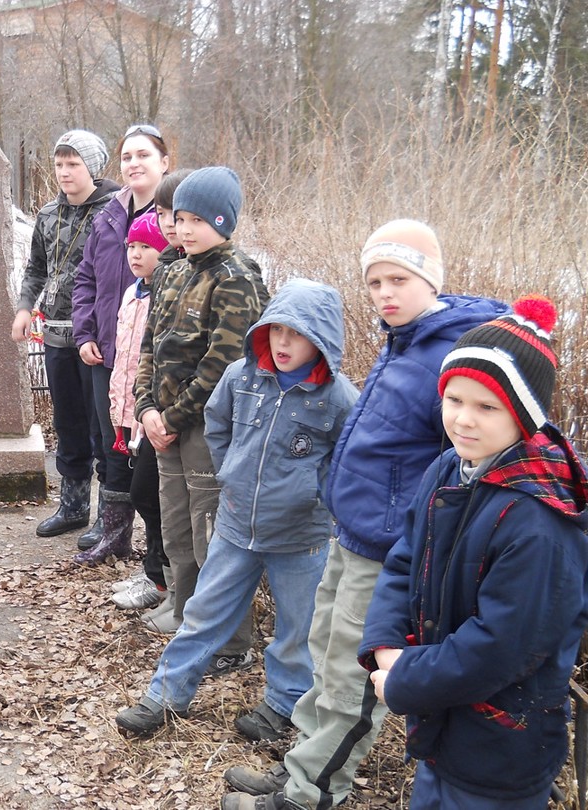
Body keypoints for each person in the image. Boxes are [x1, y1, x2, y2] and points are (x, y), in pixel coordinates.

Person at [221, 220, 508, 810]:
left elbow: (466, 458)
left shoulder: (449, 353)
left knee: (352, 677)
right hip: (351, 532)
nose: (384, 293)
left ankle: (311, 793)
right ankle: (302, 764)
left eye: (398, 279)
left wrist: (417, 537)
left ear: (431, 279)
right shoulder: (404, 341)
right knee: (325, 654)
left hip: (390, 548)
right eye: (375, 282)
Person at [360, 296, 588, 808]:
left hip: (501, 742)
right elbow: (405, 558)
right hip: (441, 721)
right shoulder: (449, 469)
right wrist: (386, 643)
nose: (463, 419)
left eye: (487, 407)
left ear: (525, 415)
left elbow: (503, 647)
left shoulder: (540, 522)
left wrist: (405, 679)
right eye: (454, 399)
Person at [116, 279, 358, 737]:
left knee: (298, 629)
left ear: (322, 339)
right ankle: (163, 697)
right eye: (276, 330)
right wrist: (231, 472)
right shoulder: (241, 376)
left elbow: (349, 460)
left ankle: (282, 707)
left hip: (300, 537)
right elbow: (217, 424)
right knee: (203, 614)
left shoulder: (340, 397)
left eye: (297, 334)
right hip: (235, 524)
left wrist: (315, 494)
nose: (283, 343)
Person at [131, 165, 267, 680]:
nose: (183, 229)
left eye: (197, 221)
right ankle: (188, 619)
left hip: (208, 429)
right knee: (177, 527)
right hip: (164, 425)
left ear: (223, 222)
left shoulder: (235, 278)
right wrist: (146, 409)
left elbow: (224, 363)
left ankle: (230, 641)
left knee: (213, 533)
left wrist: (172, 415)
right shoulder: (172, 270)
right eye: (180, 218)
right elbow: (150, 345)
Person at [11, 130, 119, 541]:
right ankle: (73, 507)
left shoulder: (115, 211)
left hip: (99, 338)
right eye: (59, 164)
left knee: (103, 429)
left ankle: (110, 517)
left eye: (73, 164)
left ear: (92, 166)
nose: (64, 172)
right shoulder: (47, 215)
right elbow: (36, 268)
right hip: (56, 335)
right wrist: (25, 307)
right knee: (68, 424)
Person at [71, 123, 170, 564]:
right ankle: (113, 531)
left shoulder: (176, 216)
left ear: (163, 162)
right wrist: (85, 333)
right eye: (127, 156)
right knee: (109, 440)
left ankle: (159, 552)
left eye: (143, 155)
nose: (133, 164)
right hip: (107, 350)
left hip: (152, 360)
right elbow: (86, 278)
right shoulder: (109, 214)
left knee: (144, 448)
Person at [106, 210, 169, 608]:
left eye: (146, 246)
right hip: (132, 409)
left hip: (154, 412)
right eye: (131, 246)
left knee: (149, 495)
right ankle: (153, 570)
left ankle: (161, 578)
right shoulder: (132, 293)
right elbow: (125, 358)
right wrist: (120, 410)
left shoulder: (166, 295)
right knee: (143, 494)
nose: (136, 254)